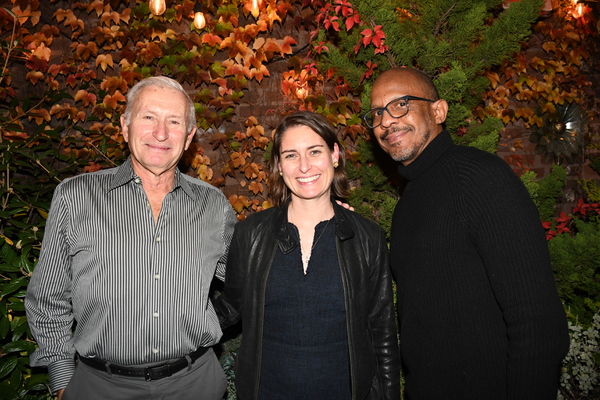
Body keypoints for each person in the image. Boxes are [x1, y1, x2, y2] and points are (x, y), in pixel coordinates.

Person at [364, 67, 570, 400]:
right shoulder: (408, 202)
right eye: (376, 113)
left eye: (400, 104)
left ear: (438, 111)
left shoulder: (479, 178)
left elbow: (538, 322)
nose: (386, 121)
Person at [25, 76, 237, 400]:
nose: (161, 133)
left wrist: (318, 218)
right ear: (125, 126)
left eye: (174, 121)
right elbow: (48, 298)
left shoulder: (213, 206)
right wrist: (64, 380)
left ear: (189, 136)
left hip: (195, 384)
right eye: (148, 117)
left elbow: (250, 278)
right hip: (99, 386)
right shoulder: (76, 197)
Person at [213, 111, 400, 400]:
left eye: (314, 151)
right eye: (290, 155)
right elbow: (229, 309)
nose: (304, 167)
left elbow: (382, 331)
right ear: (279, 165)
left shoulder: (366, 237)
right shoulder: (251, 234)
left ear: (334, 154)